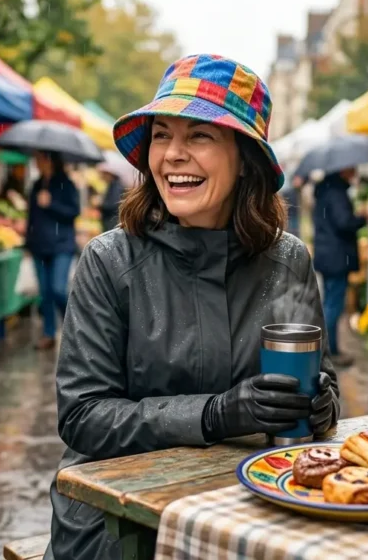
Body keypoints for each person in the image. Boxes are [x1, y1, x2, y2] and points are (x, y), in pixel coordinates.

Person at [45, 54, 340, 560]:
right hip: (118, 527)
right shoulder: (108, 261)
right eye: (162, 135)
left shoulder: (287, 260)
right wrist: (214, 414)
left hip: (247, 509)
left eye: (199, 136)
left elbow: (323, 385)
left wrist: (319, 404)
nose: (173, 155)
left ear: (244, 158)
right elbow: (84, 416)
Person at [26, 150, 80, 351]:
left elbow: (74, 212)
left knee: (58, 289)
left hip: (61, 245)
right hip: (39, 246)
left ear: (49, 160)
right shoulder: (37, 185)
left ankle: (75, 328)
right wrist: (27, 243)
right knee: (45, 293)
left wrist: (51, 204)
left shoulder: (66, 183)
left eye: (39, 158)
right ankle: (48, 334)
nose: (36, 162)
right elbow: (31, 217)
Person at [313, 168, 366, 368]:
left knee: (330, 302)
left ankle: (327, 350)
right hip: (336, 256)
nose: (354, 171)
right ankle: (328, 351)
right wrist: (361, 218)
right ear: (343, 170)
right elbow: (344, 222)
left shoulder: (325, 189)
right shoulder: (336, 192)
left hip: (328, 254)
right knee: (333, 305)